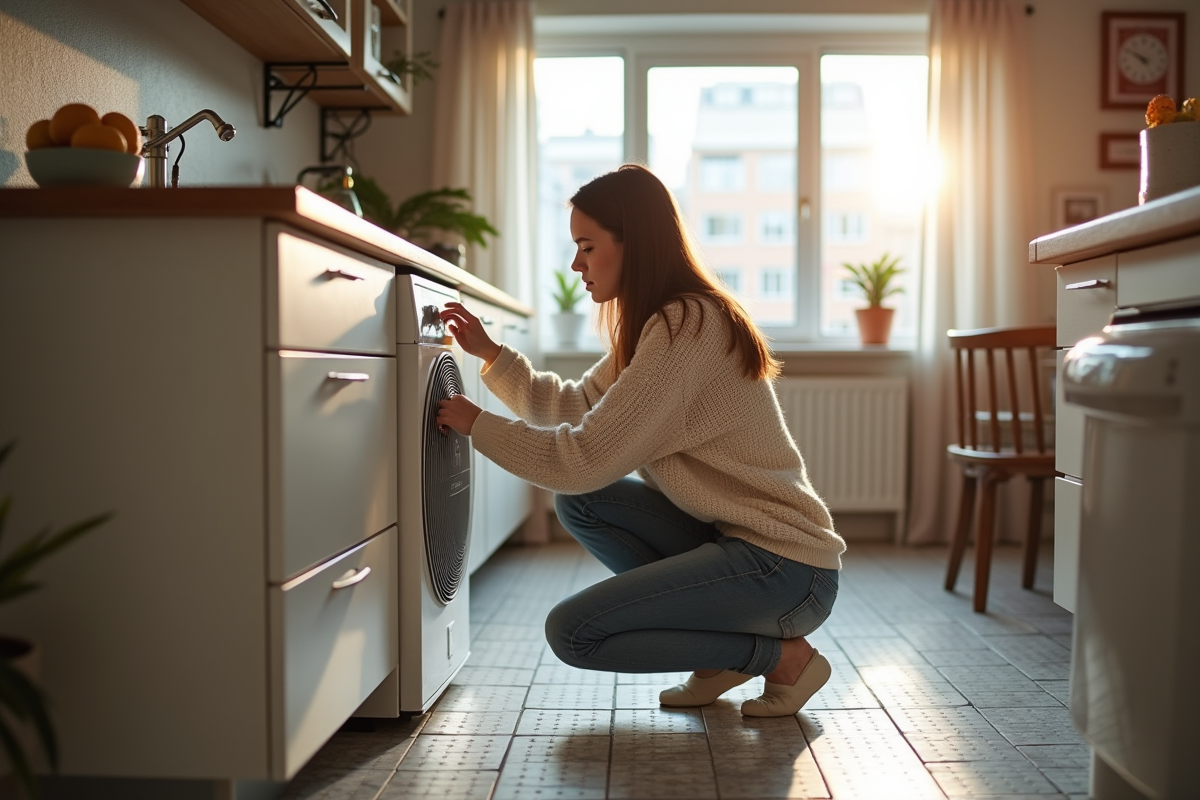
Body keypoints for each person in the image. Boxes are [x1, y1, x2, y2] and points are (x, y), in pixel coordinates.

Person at [436, 164, 845, 717]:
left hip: (786, 569)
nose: (576, 263)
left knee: (574, 632)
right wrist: (493, 356)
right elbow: (578, 409)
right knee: (584, 503)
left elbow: (583, 458)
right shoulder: (659, 324)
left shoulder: (688, 326)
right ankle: (720, 656)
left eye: (587, 246)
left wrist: (475, 424)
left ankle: (777, 660)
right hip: (739, 544)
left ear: (634, 243)